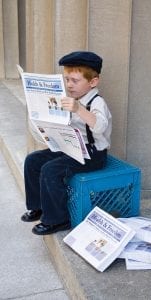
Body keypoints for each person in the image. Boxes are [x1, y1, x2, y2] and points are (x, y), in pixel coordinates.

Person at [21, 51, 112, 235]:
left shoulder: (96, 102)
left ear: (93, 82)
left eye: (75, 80)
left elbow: (100, 126)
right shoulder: (70, 99)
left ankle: (58, 219)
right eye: (67, 79)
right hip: (70, 147)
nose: (69, 85)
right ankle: (38, 206)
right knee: (33, 161)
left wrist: (79, 109)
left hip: (93, 154)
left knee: (51, 170)